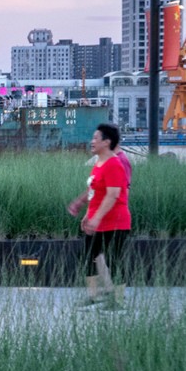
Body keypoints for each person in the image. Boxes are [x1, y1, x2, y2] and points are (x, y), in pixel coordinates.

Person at [67, 122, 131, 308]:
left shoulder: (115, 164)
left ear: (107, 142)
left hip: (115, 221)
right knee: (88, 256)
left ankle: (118, 301)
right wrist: (87, 214)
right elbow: (94, 191)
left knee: (114, 259)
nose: (92, 141)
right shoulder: (99, 163)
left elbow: (112, 196)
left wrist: (96, 217)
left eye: (96, 138)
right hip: (96, 221)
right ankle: (93, 296)